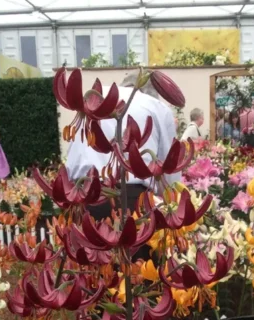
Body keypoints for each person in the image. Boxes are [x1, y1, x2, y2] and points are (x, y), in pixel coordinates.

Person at [66, 71, 179, 218]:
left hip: (83, 196)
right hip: (135, 201)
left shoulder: (91, 98)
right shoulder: (157, 106)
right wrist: (171, 201)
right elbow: (169, 166)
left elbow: (73, 159)